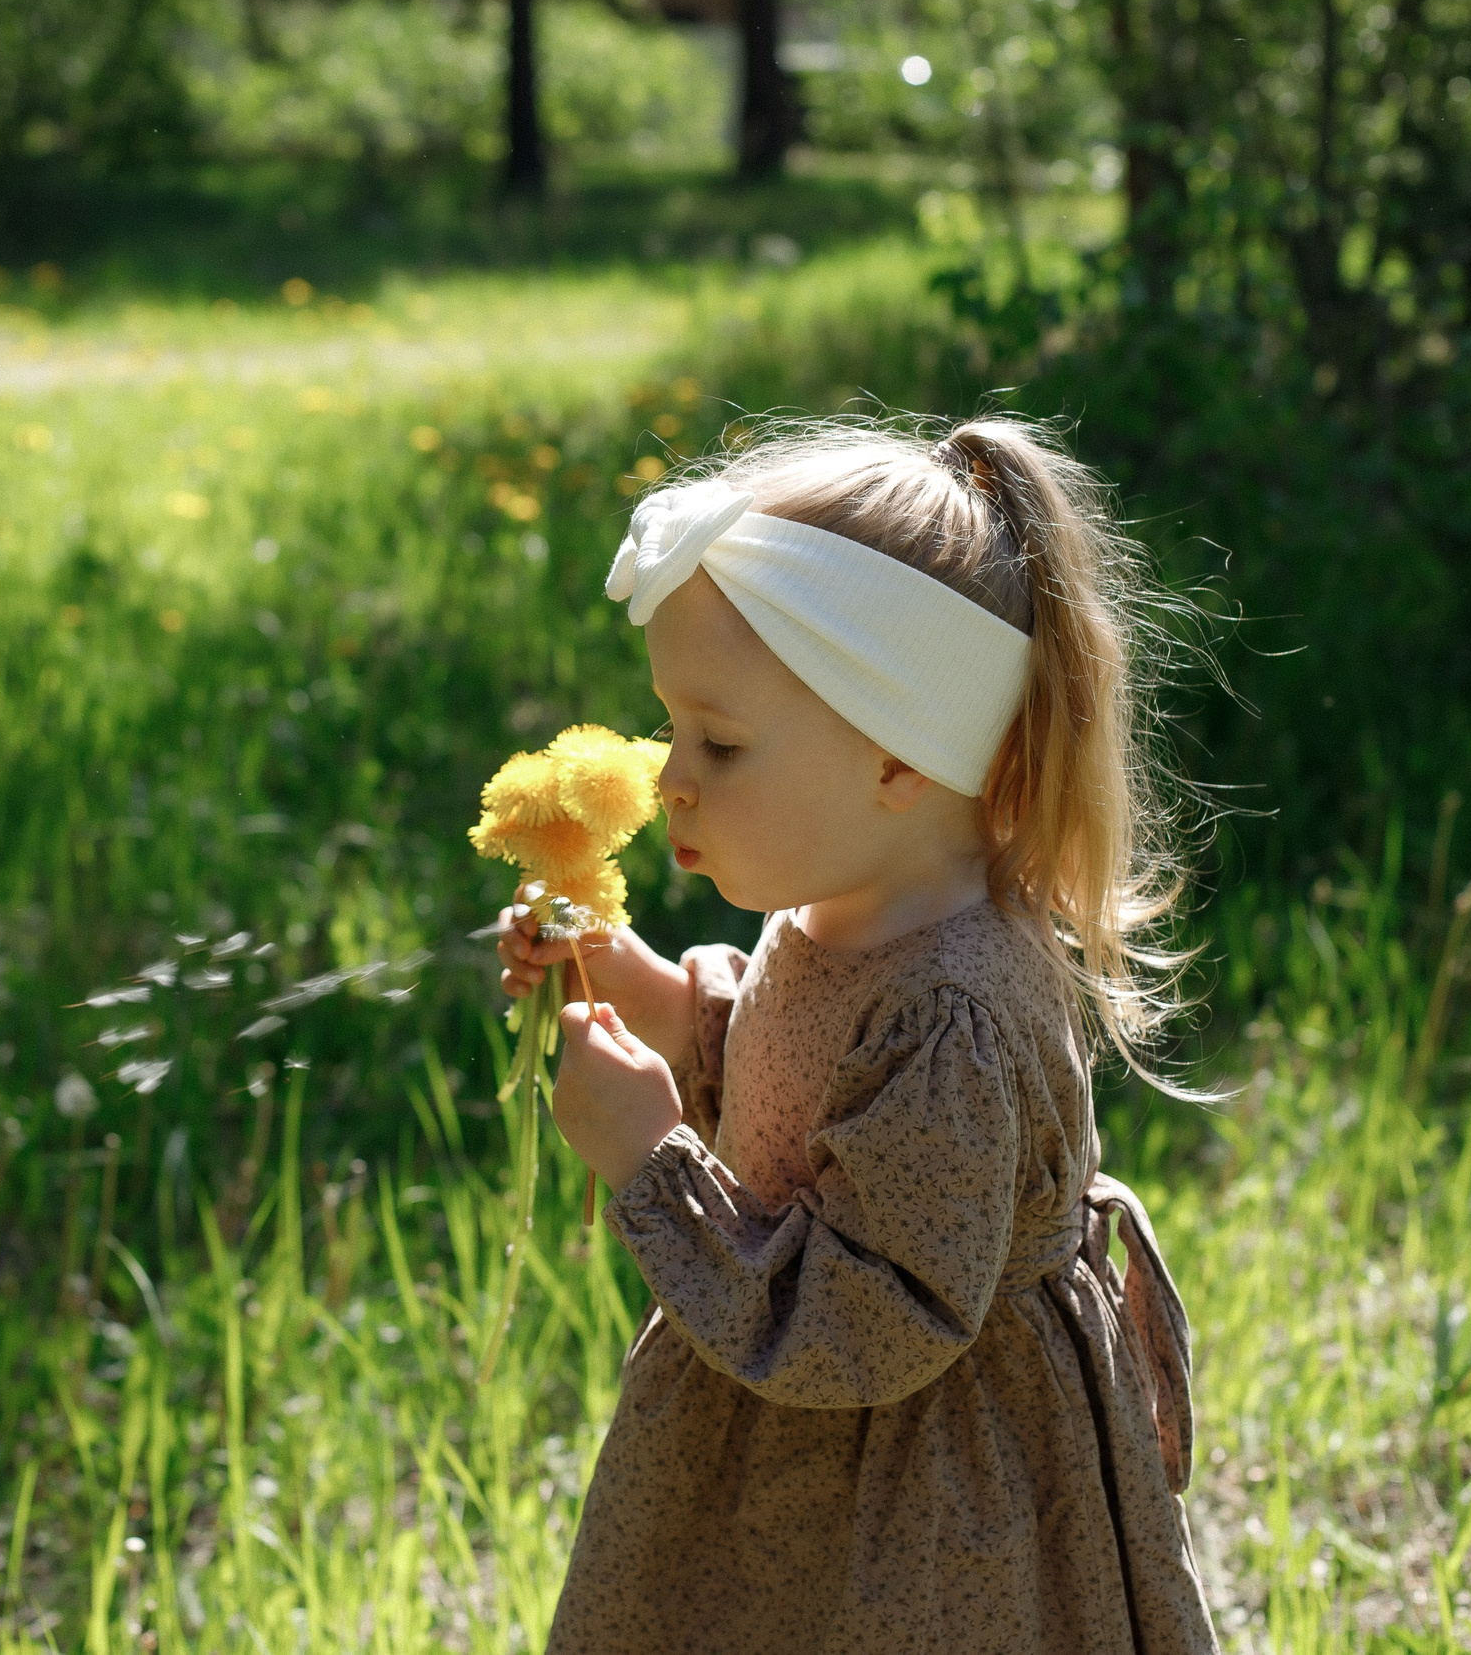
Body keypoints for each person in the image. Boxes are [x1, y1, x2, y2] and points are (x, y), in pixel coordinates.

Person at [495, 417, 1219, 1654]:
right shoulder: (838, 911)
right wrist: (662, 1002)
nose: (671, 776)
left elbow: (867, 1318)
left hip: (924, 1481)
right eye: (674, 729)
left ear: (899, 759)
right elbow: (804, 1091)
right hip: (804, 1433)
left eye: (719, 742)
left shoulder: (953, 1007)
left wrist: (653, 1165)